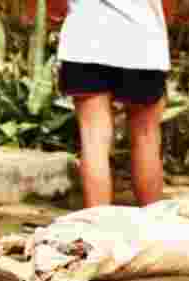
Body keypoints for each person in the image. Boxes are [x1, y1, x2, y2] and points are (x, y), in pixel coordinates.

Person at [56, 0, 170, 208]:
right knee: (146, 137)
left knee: (93, 139)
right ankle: (155, 225)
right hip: (142, 41)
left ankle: (97, 230)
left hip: (86, 39)